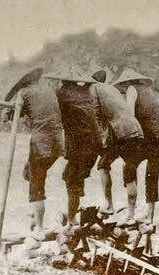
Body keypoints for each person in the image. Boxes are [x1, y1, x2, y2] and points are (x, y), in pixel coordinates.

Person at [4, 68, 64, 238]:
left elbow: (13, 114)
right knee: (29, 173)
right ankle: (32, 216)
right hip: (58, 141)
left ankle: (39, 227)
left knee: (36, 183)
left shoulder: (24, 92)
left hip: (41, 142)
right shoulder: (49, 90)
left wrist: (7, 112)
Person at [112, 68, 159, 225]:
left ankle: (130, 213)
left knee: (129, 167)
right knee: (152, 175)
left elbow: (129, 113)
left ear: (127, 82)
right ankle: (149, 214)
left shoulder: (131, 89)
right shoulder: (149, 91)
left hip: (149, 139)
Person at [44, 67, 100, 224]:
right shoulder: (85, 93)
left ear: (62, 81)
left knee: (71, 178)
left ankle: (72, 219)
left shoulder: (61, 94)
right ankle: (73, 214)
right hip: (94, 144)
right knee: (76, 177)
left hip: (80, 144)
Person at [90, 69, 144, 215]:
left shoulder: (93, 89)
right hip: (135, 129)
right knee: (130, 168)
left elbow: (95, 115)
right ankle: (132, 211)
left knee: (103, 165)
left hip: (120, 132)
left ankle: (108, 205)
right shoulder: (111, 89)